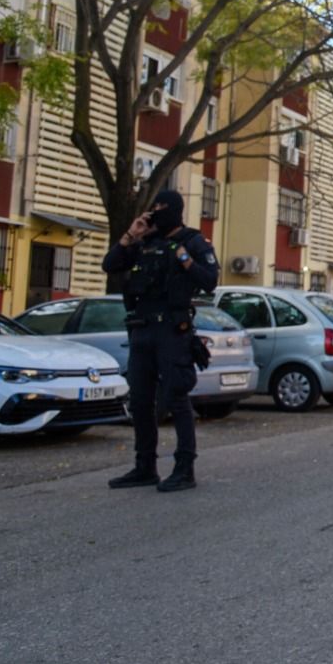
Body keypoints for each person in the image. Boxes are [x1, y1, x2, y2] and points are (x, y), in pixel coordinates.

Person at [102, 191, 220, 493]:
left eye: (163, 209)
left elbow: (209, 280)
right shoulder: (145, 242)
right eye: (154, 209)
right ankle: (145, 467)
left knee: (177, 398)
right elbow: (110, 264)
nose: (158, 213)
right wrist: (131, 233)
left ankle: (184, 468)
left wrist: (184, 259)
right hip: (141, 331)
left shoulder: (193, 242)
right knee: (141, 401)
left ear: (177, 211)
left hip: (172, 330)